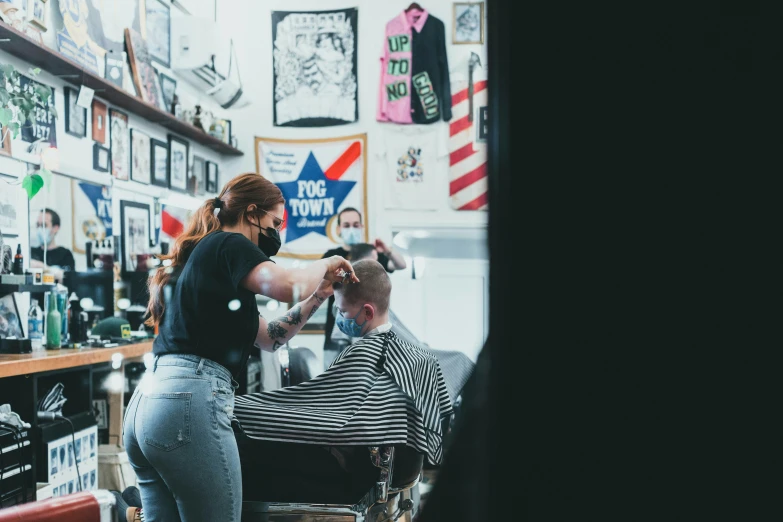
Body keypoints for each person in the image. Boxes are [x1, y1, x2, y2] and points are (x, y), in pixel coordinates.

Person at [122, 173, 358, 522]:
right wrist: (328, 261)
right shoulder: (230, 244)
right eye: (275, 223)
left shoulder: (212, 259)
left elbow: (271, 336)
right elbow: (289, 284)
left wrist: (320, 294)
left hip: (148, 407)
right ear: (251, 213)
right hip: (187, 404)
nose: (276, 233)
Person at [233, 260, 452, 503]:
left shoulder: (366, 354)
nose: (340, 317)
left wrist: (240, 407)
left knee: (244, 454)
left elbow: (317, 410)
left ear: (367, 312)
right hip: (391, 473)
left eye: (343, 311)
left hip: (356, 475)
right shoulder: (416, 355)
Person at [322, 208, 406, 351]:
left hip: (367, 332)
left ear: (361, 227)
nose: (352, 229)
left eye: (356, 225)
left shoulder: (371, 254)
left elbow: (401, 265)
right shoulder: (332, 256)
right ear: (338, 229)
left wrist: (386, 250)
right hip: (338, 331)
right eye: (347, 225)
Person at [30, 208, 75, 274]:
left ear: (55, 228)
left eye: (44, 225)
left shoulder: (65, 255)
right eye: (38, 225)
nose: (39, 229)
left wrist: (44, 268)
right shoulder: (31, 253)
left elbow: (67, 279)